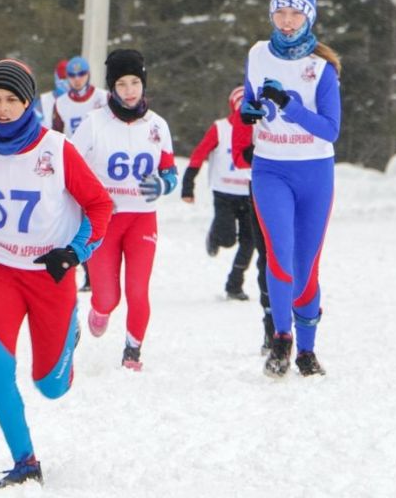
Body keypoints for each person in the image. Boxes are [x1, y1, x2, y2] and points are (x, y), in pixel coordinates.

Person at [0, 59, 113, 489]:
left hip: (51, 275)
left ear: (29, 102)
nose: (3, 108)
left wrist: (75, 252)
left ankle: (70, 338)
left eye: (13, 99)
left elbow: (100, 207)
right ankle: (25, 460)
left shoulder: (56, 149)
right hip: (0, 274)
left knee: (50, 386)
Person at [234, 0, 342, 378]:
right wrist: (249, 111)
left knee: (305, 267)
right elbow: (249, 97)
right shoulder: (258, 53)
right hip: (271, 168)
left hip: (315, 172)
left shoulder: (322, 67)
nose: (286, 20)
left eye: (295, 12)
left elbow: (331, 129)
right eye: (280, 11)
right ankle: (281, 338)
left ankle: (308, 350)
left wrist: (290, 106)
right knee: (279, 256)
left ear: (309, 16)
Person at [72, 49, 178, 371]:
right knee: (107, 297)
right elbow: (70, 167)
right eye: (122, 84)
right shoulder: (94, 123)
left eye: (135, 82)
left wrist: (163, 185)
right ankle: (99, 309)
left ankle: (132, 351)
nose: (130, 90)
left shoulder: (157, 125)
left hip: (142, 218)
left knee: (137, 289)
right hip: (104, 219)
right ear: (111, 88)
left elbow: (171, 172)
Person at [180, 86, 257, 301]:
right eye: (241, 105)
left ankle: (235, 284)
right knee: (228, 239)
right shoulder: (220, 128)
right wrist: (188, 185)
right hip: (224, 192)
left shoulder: (260, 129)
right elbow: (199, 154)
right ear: (233, 106)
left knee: (250, 240)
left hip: (250, 191)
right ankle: (215, 234)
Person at [51, 55, 108, 292]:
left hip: (101, 166)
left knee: (100, 216)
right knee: (78, 220)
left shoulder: (102, 98)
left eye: (81, 74)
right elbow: (56, 133)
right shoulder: (61, 103)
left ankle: (103, 271)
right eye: (71, 76)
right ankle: (87, 273)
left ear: (88, 75)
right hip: (74, 166)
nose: (76, 80)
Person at [34, 58, 68, 129]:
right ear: (56, 77)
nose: (65, 82)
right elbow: (34, 124)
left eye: (68, 78)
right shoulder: (43, 102)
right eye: (63, 78)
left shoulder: (80, 102)